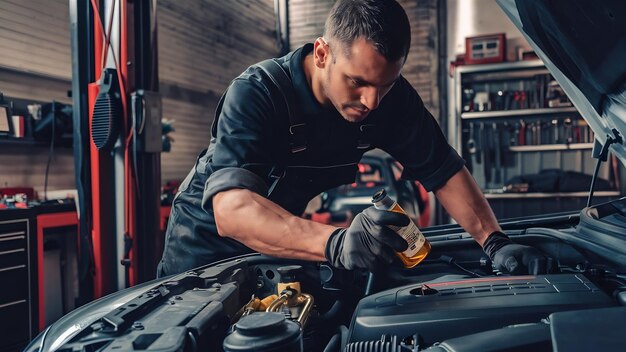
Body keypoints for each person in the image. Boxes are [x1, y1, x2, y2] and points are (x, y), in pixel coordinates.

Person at [157, 0, 551, 277]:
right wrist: (336, 243)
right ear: (323, 53)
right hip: (203, 254)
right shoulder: (258, 92)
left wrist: (494, 241)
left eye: (385, 84)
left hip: (278, 248)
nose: (372, 101)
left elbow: (443, 169)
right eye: (357, 82)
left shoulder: (387, 98)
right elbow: (233, 210)